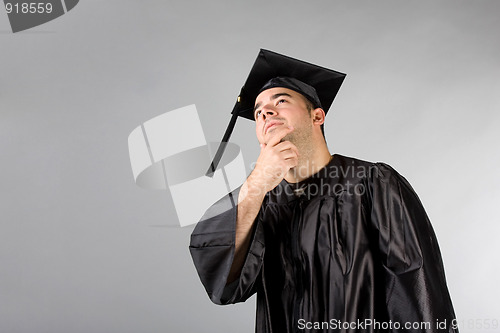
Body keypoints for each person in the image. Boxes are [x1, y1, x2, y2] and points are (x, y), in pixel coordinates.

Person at [189, 49, 458, 333]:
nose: (266, 111)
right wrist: (257, 183)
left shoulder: (371, 183)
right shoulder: (260, 201)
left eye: (281, 100)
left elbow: (417, 292)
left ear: (317, 116)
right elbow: (224, 287)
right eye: (258, 111)